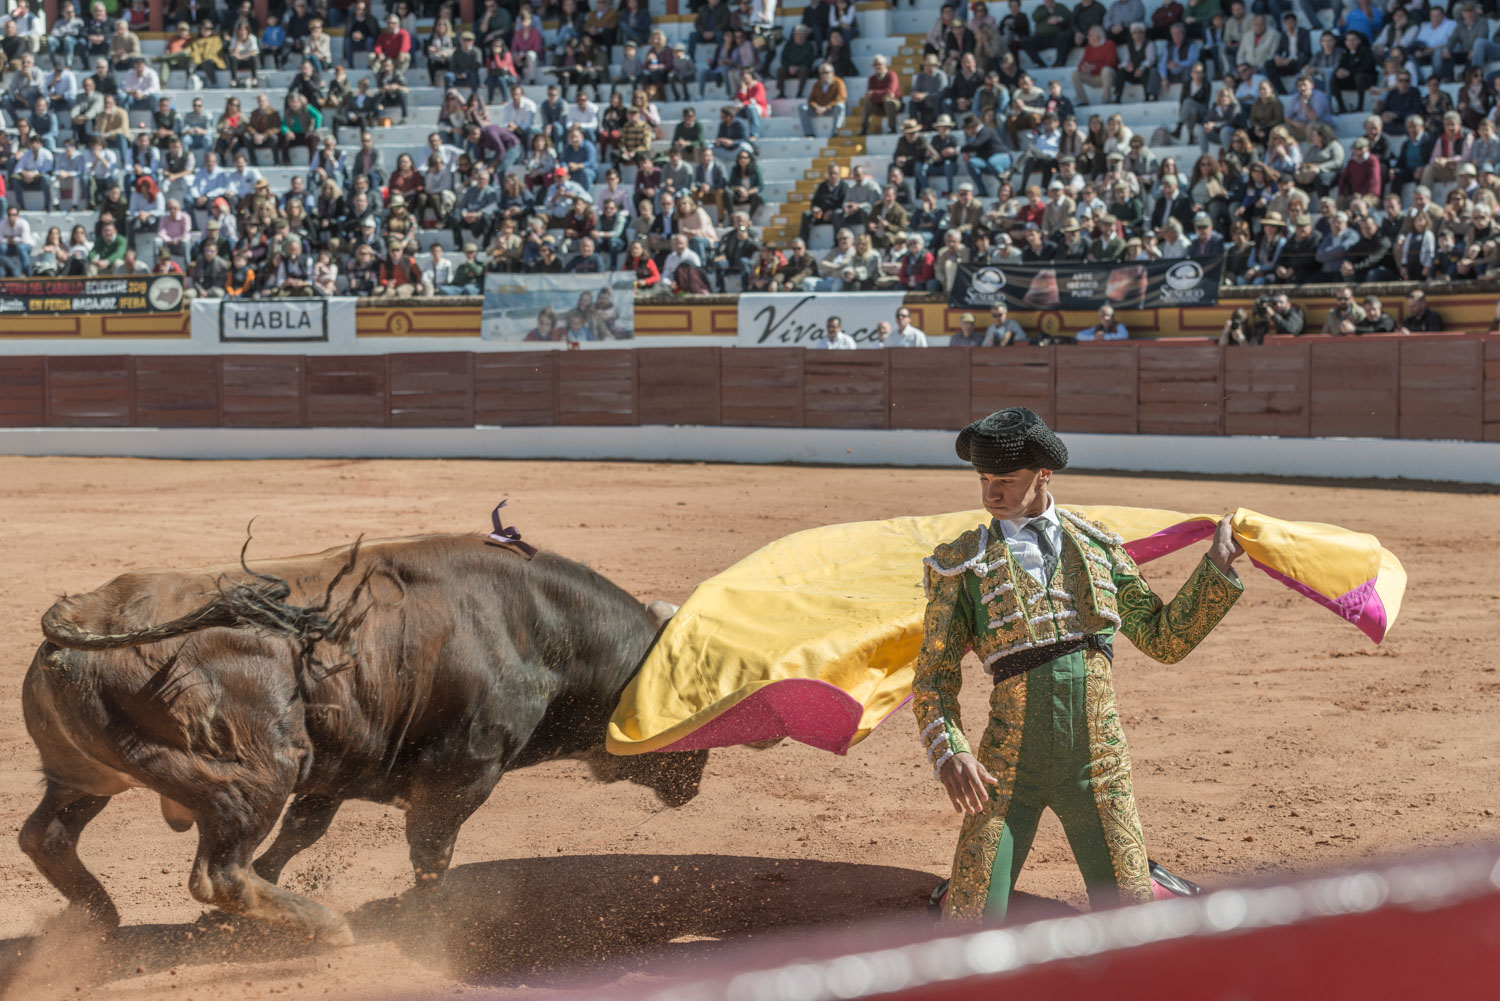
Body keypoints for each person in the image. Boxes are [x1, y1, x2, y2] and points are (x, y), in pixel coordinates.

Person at [915, 408, 1244, 922]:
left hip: (1099, 766)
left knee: (1134, 928)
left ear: (1043, 475)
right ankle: (959, 886)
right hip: (1006, 770)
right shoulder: (960, 563)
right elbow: (934, 677)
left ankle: (1152, 885)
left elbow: (1164, 639)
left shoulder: (1098, 546)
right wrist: (950, 750)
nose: (990, 494)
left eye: (1005, 480)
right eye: (983, 480)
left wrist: (1216, 567)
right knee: (970, 923)